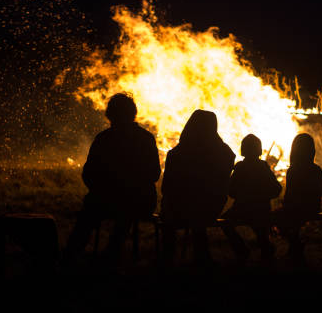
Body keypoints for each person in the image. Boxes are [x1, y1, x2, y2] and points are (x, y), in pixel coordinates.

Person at [63, 93, 161, 266]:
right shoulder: (144, 138)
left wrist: (105, 189)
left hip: (129, 200)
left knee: (107, 207)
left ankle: (73, 256)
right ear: (133, 114)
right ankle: (84, 255)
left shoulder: (105, 139)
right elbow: (154, 174)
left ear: (110, 115)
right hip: (137, 200)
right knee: (114, 206)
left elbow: (89, 174)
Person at [160, 110, 235, 267]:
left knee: (175, 212)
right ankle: (202, 257)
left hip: (179, 208)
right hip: (211, 207)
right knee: (197, 209)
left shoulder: (177, 153)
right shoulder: (223, 152)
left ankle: (166, 260)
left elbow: (166, 188)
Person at [221, 134, 282, 264]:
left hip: (242, 208)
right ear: (259, 150)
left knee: (225, 222)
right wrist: (263, 195)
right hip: (262, 209)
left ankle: (241, 248)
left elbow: (231, 192)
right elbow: (276, 189)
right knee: (260, 225)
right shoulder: (263, 167)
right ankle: (266, 248)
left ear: (243, 150)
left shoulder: (239, 167)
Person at [278, 133, 322, 264]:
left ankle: (295, 243)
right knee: (290, 217)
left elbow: (289, 195)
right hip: (313, 208)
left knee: (276, 217)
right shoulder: (316, 169)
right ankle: (295, 246)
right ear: (312, 151)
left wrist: (285, 204)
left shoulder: (292, 171)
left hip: (295, 208)